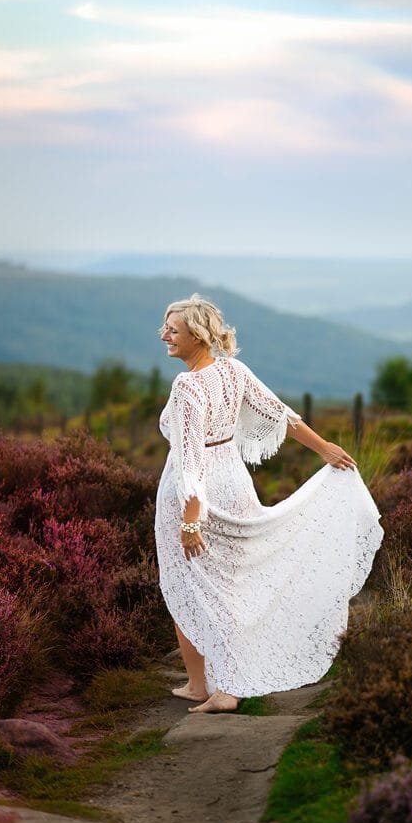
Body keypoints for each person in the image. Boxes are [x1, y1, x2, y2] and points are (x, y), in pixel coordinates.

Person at [155, 294, 383, 714]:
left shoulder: (187, 385)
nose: (163, 334)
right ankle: (198, 683)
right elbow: (283, 416)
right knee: (231, 583)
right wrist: (324, 448)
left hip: (196, 491)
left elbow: (190, 459)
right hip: (234, 482)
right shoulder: (233, 371)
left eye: (173, 328)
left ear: (198, 335)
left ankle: (223, 689)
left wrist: (191, 521)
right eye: (165, 326)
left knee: (192, 586)